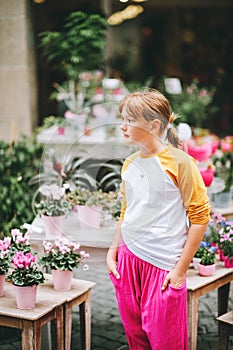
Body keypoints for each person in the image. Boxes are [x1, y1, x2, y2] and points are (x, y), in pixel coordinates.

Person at [106, 89, 211, 350]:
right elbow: (126, 210)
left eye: (130, 120)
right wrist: (112, 252)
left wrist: (179, 271)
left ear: (153, 125)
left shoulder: (181, 163)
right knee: (136, 340)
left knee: (167, 343)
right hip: (128, 261)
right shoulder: (130, 164)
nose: (123, 126)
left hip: (163, 265)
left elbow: (200, 218)